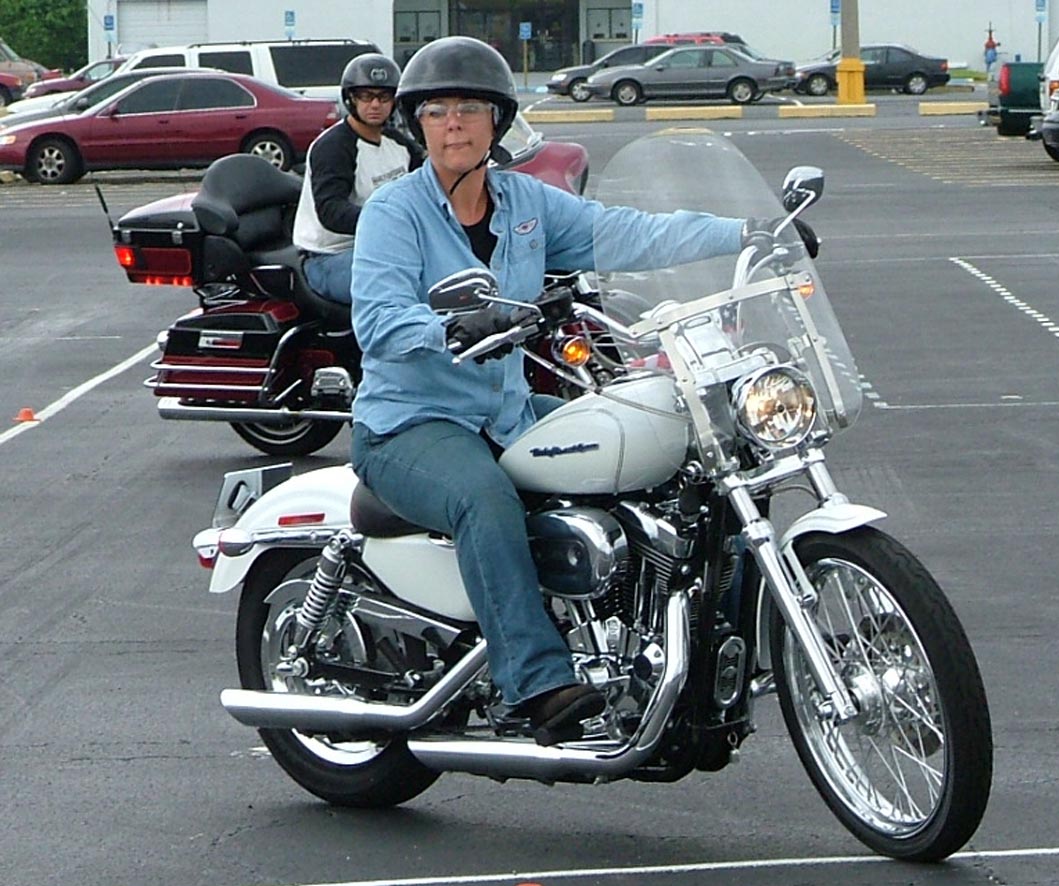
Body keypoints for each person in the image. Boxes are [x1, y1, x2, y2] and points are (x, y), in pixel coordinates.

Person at [349, 36, 818, 745]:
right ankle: (536, 683)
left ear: (498, 121)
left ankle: (691, 647)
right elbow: (379, 319)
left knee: (654, 437)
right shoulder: (395, 212)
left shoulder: (525, 203)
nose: (454, 124)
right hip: (410, 424)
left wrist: (749, 233)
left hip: (505, 412)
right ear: (417, 124)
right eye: (437, 111)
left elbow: (626, 233)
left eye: (470, 108)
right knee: (482, 497)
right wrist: (450, 325)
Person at [292, 53, 423, 304]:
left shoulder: (398, 144)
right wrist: (390, 222)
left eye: (384, 97)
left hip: (385, 246)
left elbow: (428, 184)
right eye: (365, 96)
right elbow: (331, 211)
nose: (375, 104)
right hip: (331, 256)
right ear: (350, 98)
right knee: (400, 286)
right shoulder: (333, 147)